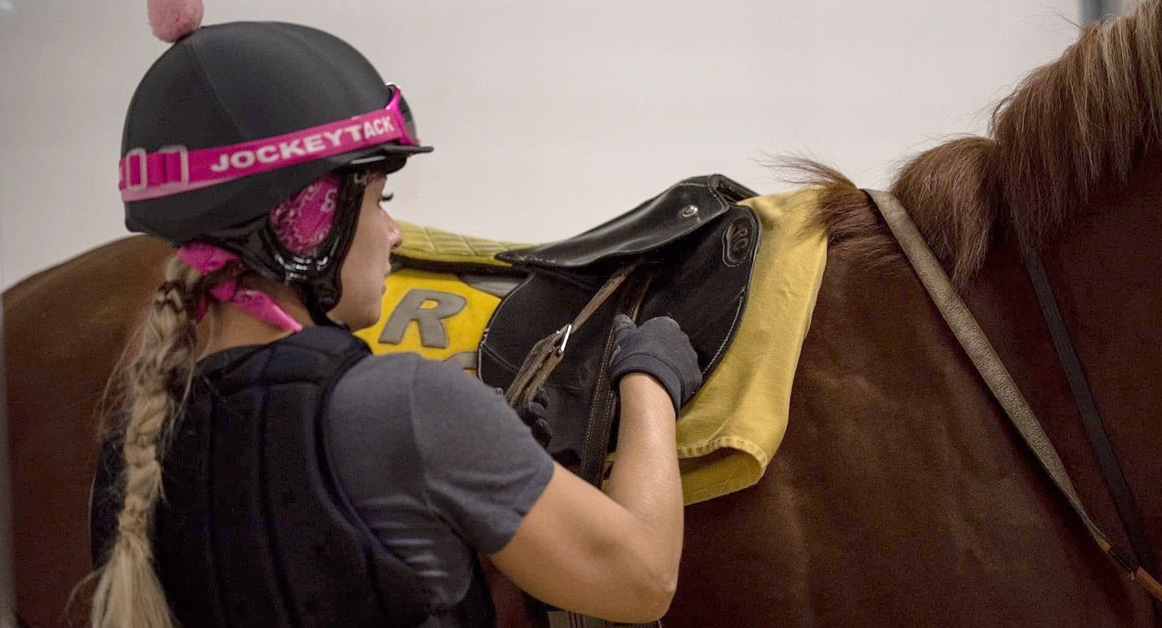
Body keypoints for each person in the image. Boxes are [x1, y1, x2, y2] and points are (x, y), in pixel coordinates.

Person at [85, 14, 703, 628]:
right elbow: (643, 580)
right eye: (379, 200)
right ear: (308, 220)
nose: (393, 233)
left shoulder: (130, 456)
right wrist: (648, 380)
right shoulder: (407, 406)